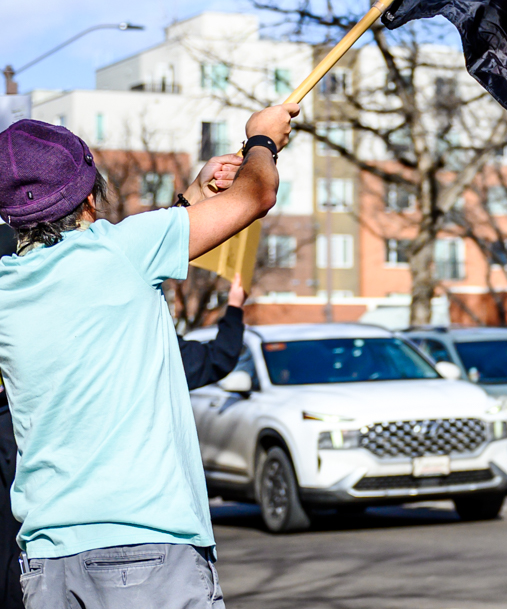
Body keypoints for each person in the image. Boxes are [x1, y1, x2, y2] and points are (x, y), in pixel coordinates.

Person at [0, 106, 295, 609]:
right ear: (90, 196)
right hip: (146, 547)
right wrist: (261, 141)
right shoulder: (126, 252)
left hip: (48, 561)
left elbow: (123, 257)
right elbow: (257, 194)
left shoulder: (9, 287)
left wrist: (196, 195)